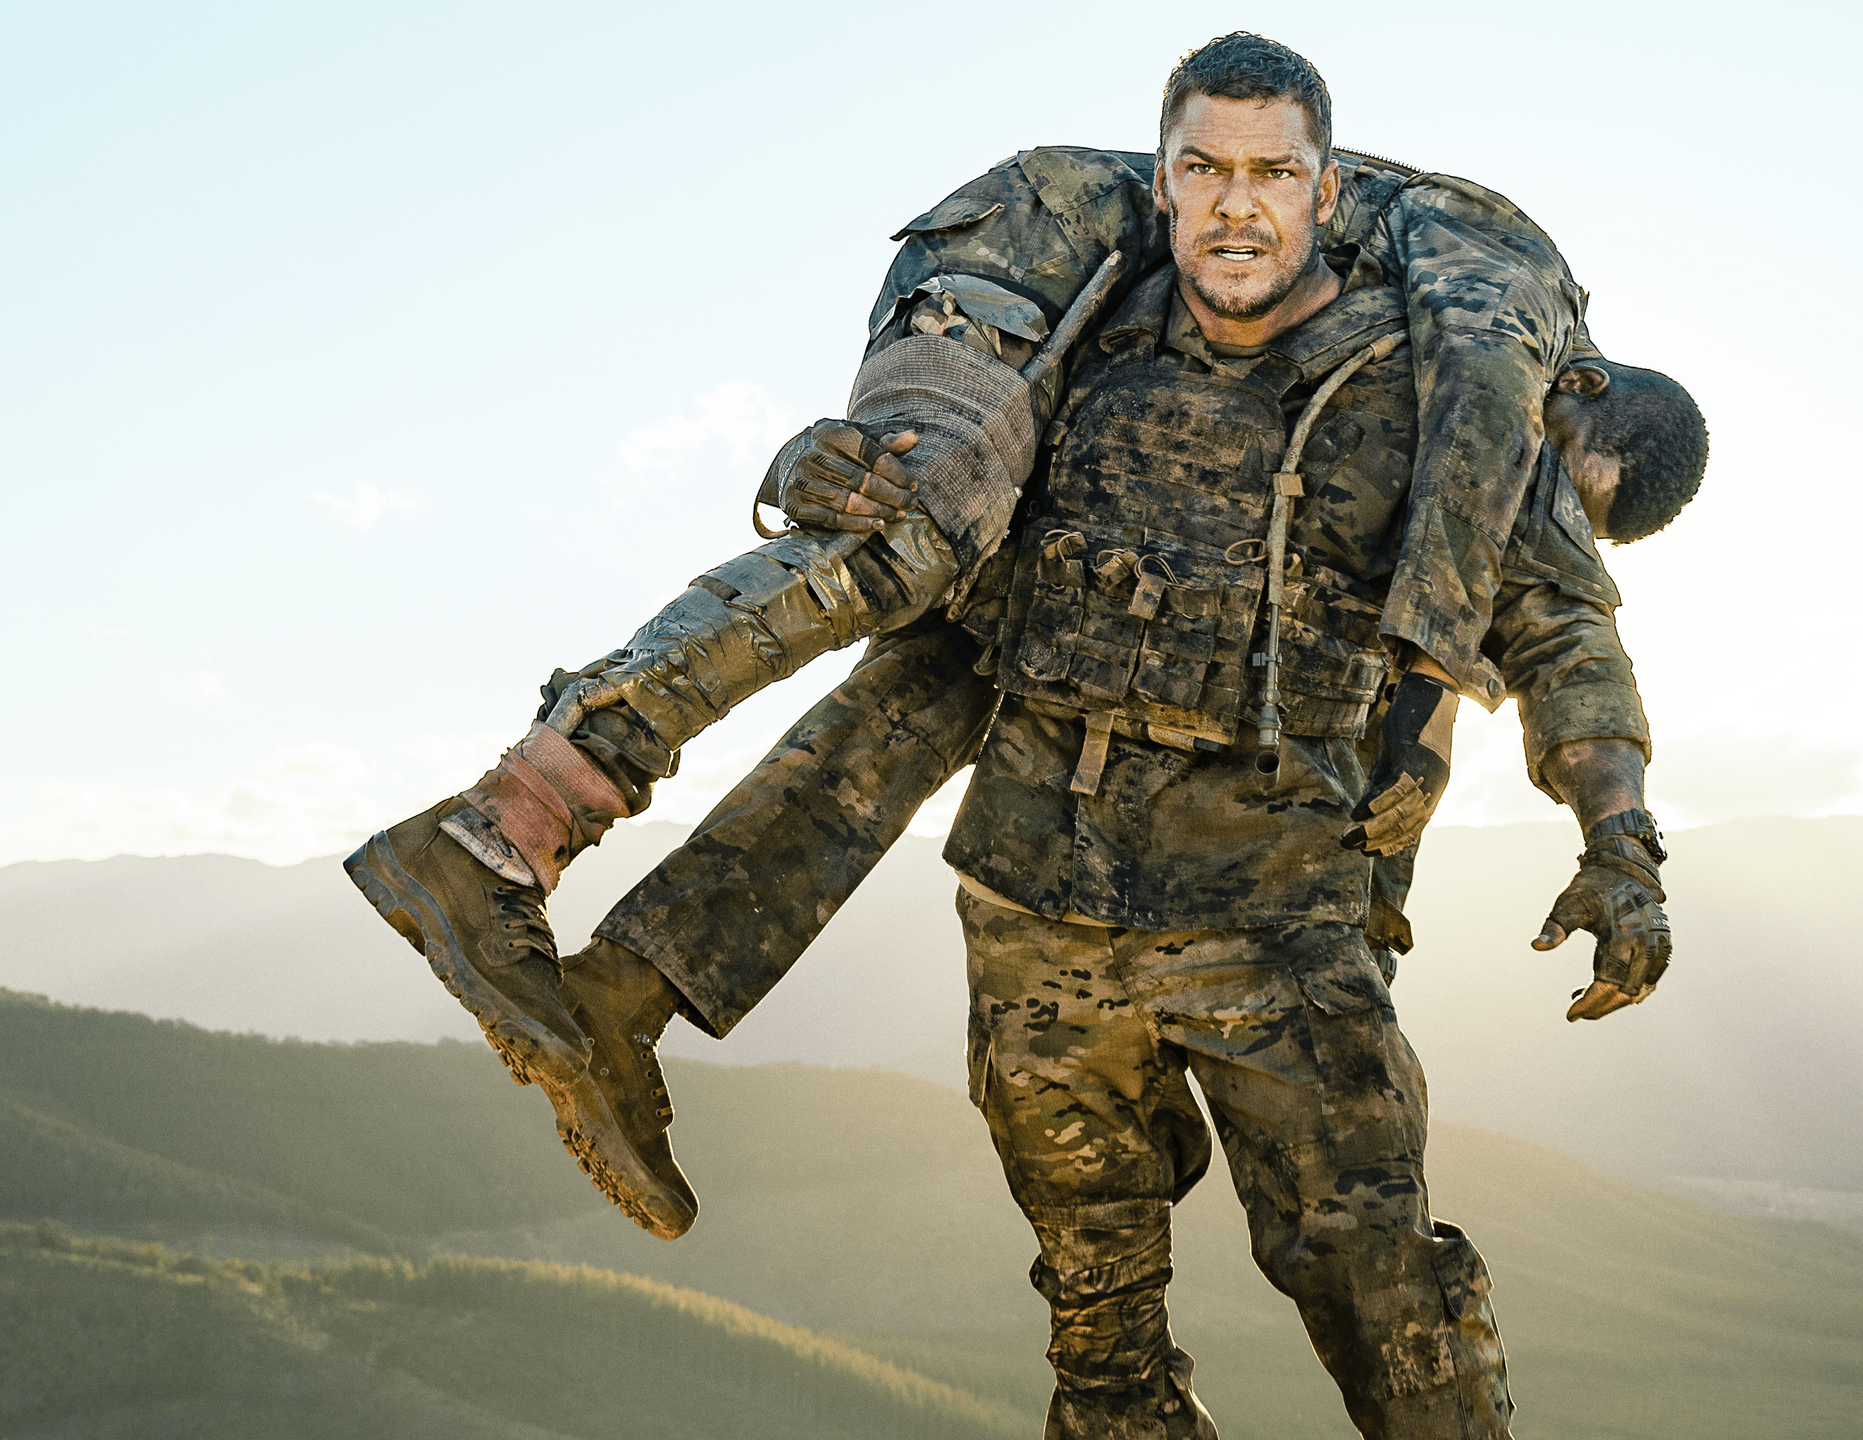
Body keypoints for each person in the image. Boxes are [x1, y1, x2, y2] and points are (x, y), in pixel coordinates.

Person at [346, 32, 1705, 1438]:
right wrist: (833, 460)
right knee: (1102, 1353)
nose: (1238, 204)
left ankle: (582, 922)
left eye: (1271, 175)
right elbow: (919, 472)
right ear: (1166, 182)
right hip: (1041, 916)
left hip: (1276, 923)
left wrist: (1622, 845)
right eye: (1208, 170)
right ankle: (577, 918)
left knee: (1394, 1315)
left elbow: (1563, 636)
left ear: (1325, 190)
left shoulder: (1451, 412)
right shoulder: (1096, 301)